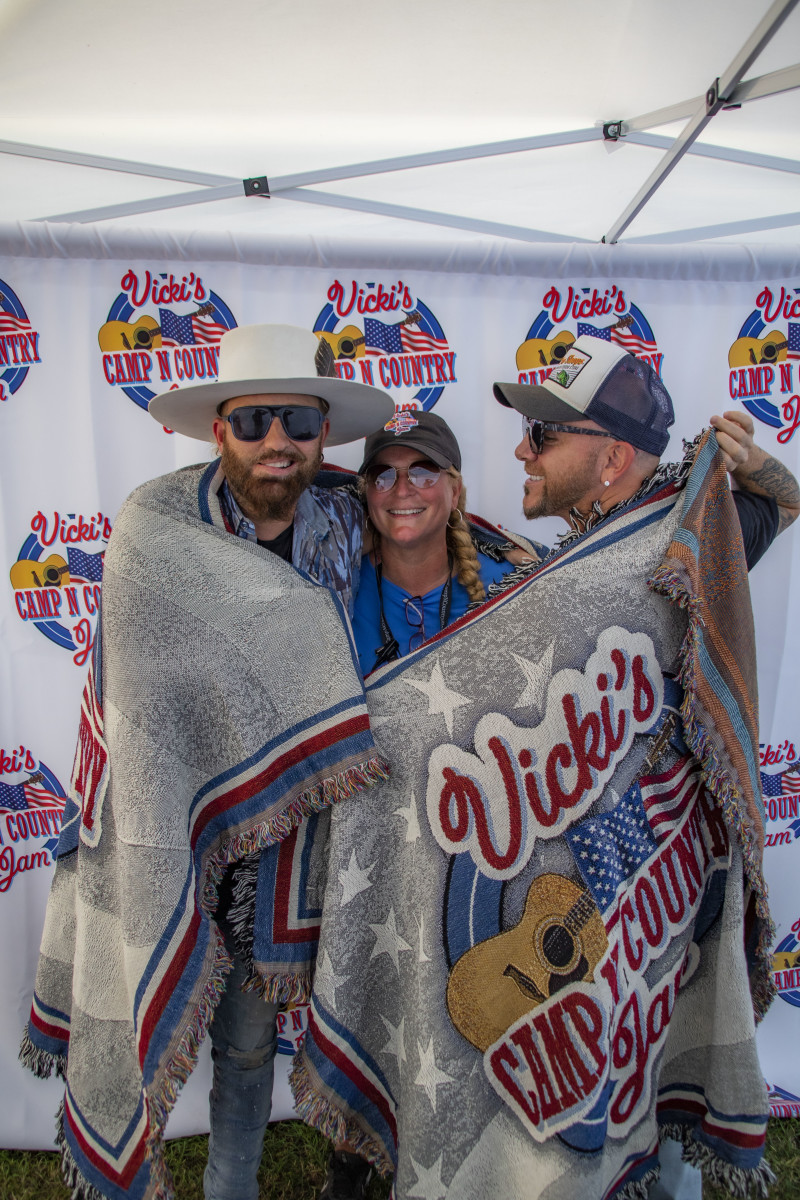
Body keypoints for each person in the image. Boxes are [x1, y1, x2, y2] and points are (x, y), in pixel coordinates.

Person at [292, 336, 796, 1200]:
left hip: (645, 898)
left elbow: (774, 506)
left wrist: (759, 467)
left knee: (639, 1092)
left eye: (544, 436)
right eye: (528, 433)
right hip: (560, 898)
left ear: (612, 458)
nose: (522, 451)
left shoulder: (675, 551)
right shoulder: (552, 573)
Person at [20, 324, 394, 1200]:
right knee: (175, 1020)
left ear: (323, 435)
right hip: (175, 823)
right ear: (220, 429)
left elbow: (453, 539)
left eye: (299, 421)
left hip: (292, 836)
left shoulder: (353, 521)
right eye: (255, 420)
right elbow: (137, 708)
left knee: (250, 1047)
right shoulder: (154, 532)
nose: (278, 441)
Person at [351, 410, 535, 677]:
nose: (401, 490)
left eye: (423, 473)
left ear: (454, 492)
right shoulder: (342, 588)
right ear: (367, 494)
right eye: (383, 475)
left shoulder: (511, 584)